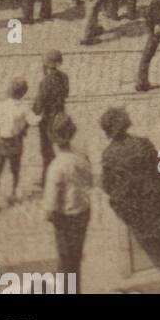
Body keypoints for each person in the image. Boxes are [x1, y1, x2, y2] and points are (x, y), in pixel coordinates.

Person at [99, 107, 160, 260]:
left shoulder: (108, 154)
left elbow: (107, 186)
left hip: (132, 208)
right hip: (154, 204)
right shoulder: (143, 143)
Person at [42, 114, 92, 293]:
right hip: (83, 212)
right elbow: (89, 182)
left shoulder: (56, 166)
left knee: (65, 262)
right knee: (76, 258)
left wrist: (48, 212)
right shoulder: (81, 157)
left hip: (64, 218)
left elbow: (50, 203)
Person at [0, 76, 33, 206]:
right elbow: (33, 120)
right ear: (23, 93)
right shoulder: (25, 107)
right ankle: (13, 192)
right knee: (15, 168)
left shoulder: (2, 105)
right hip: (16, 141)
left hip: (3, 141)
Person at [32, 50, 69, 187]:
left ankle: (46, 180)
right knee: (62, 147)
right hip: (61, 116)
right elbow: (65, 93)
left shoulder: (45, 82)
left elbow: (39, 105)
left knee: (46, 151)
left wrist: (32, 115)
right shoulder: (64, 77)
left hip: (48, 120)